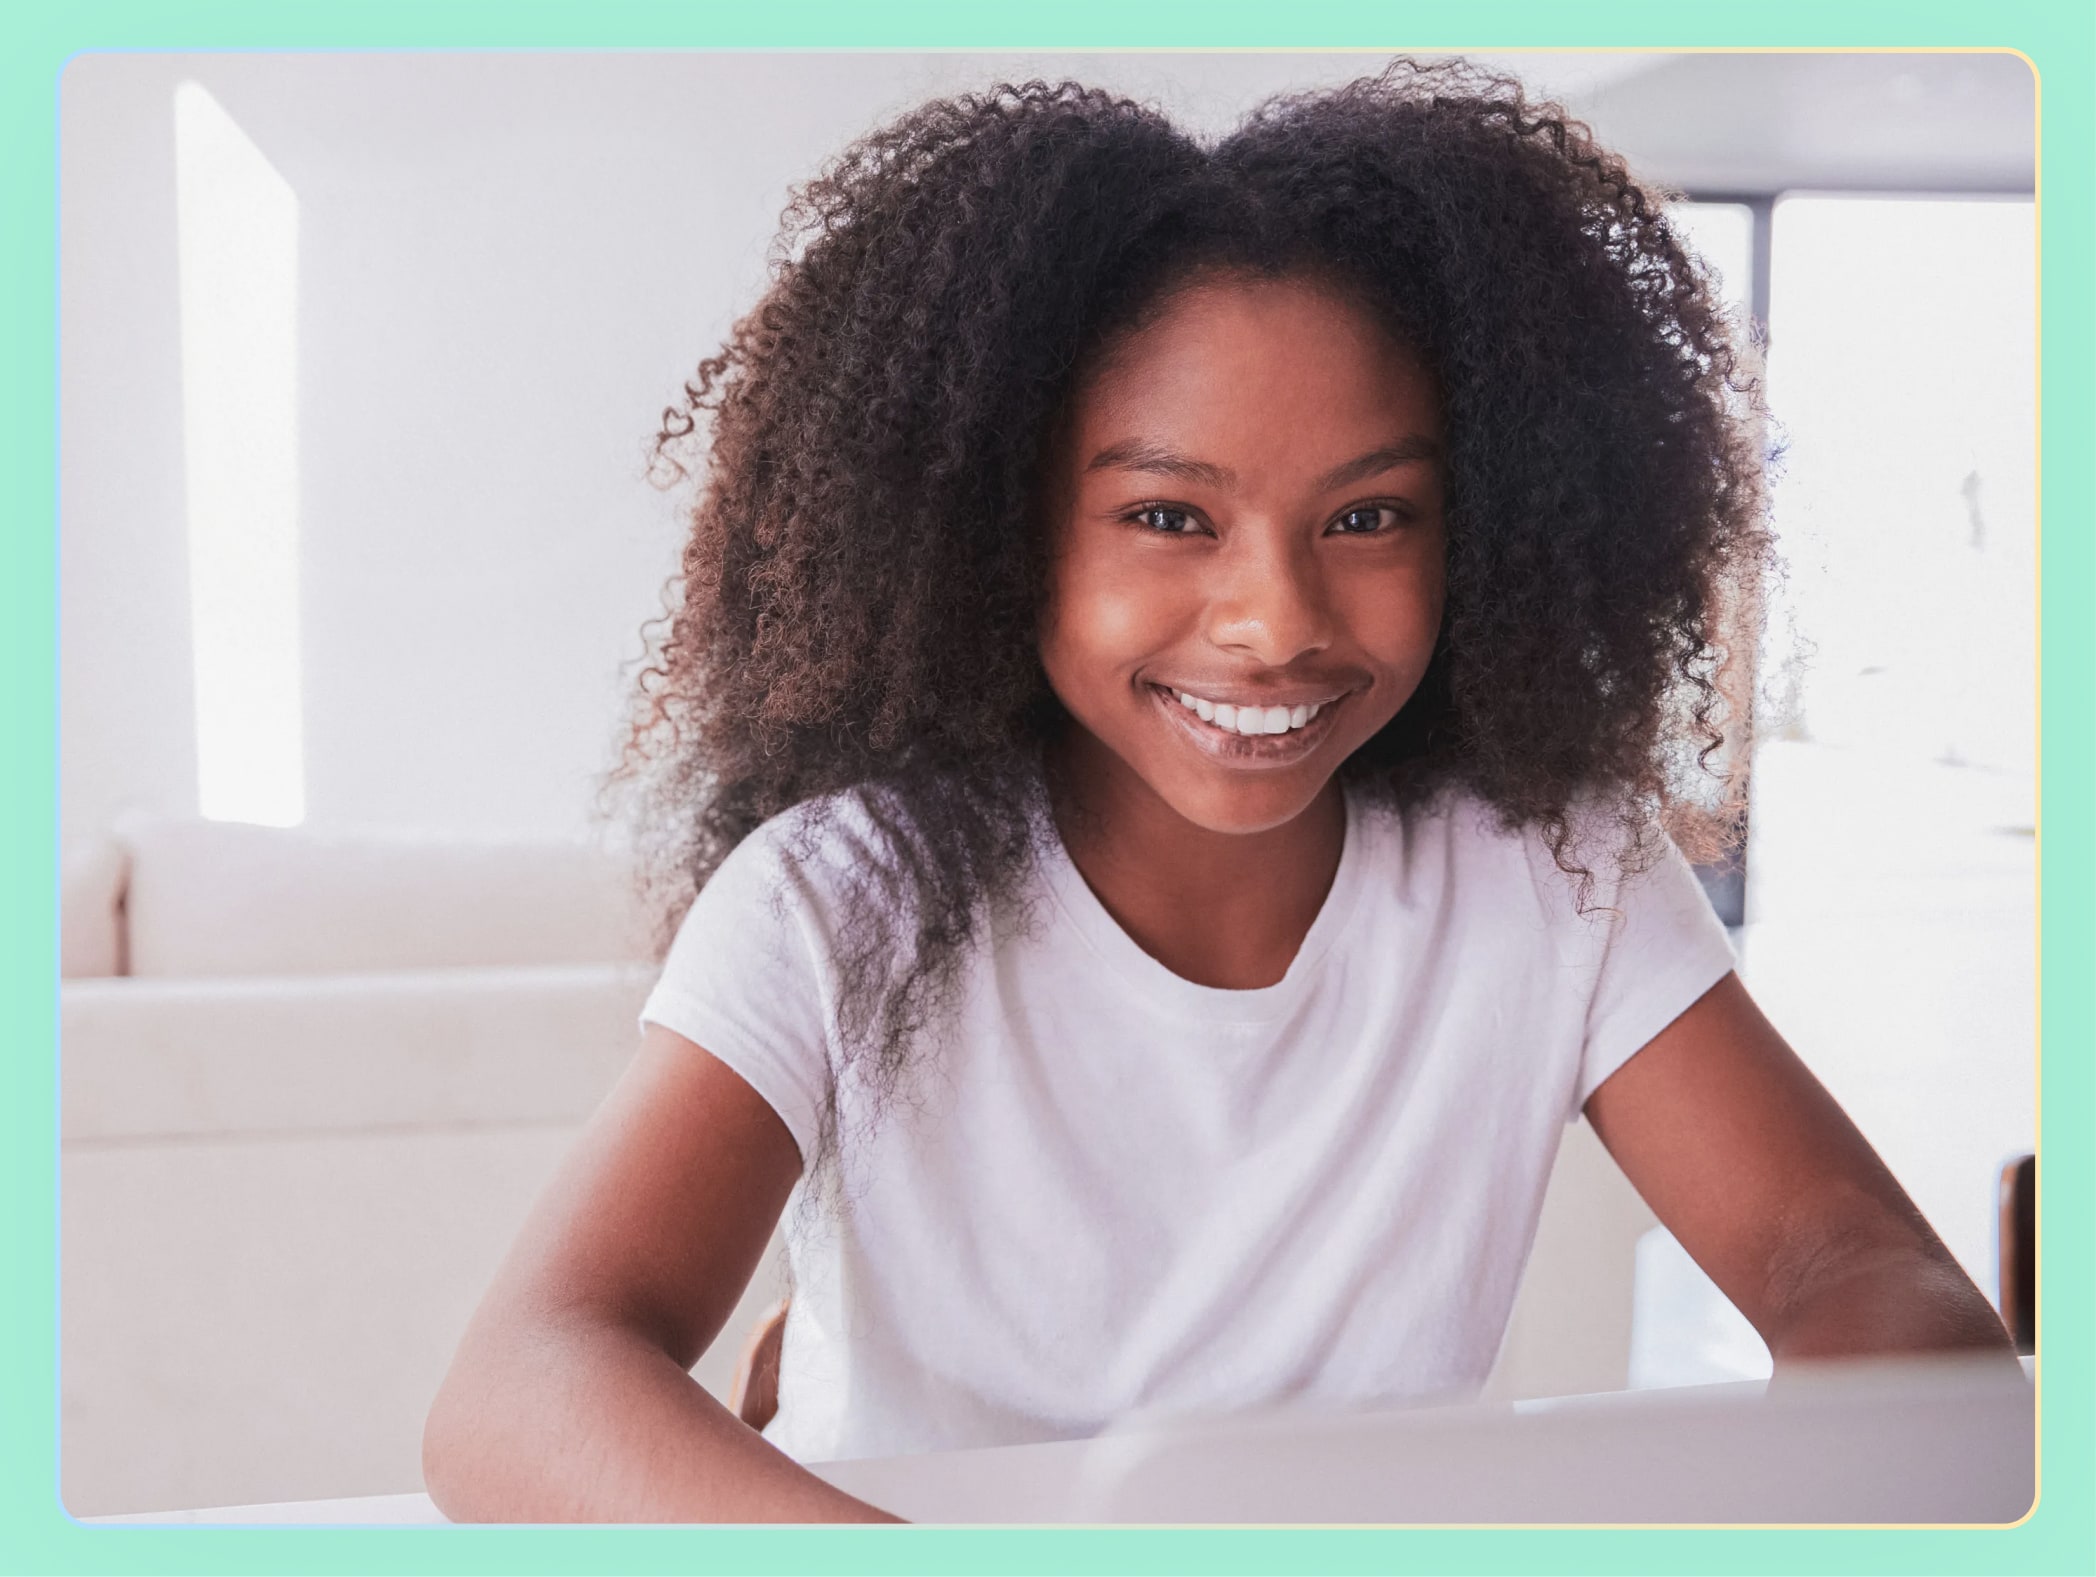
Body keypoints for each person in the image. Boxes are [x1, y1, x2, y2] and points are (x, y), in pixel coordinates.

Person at [422, 58, 2015, 1523]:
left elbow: (1867, 1269)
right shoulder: (843, 894)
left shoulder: (1549, 869)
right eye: (1172, 518)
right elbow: (517, 1389)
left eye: (1372, 517)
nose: (1277, 622)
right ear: (1000, 529)